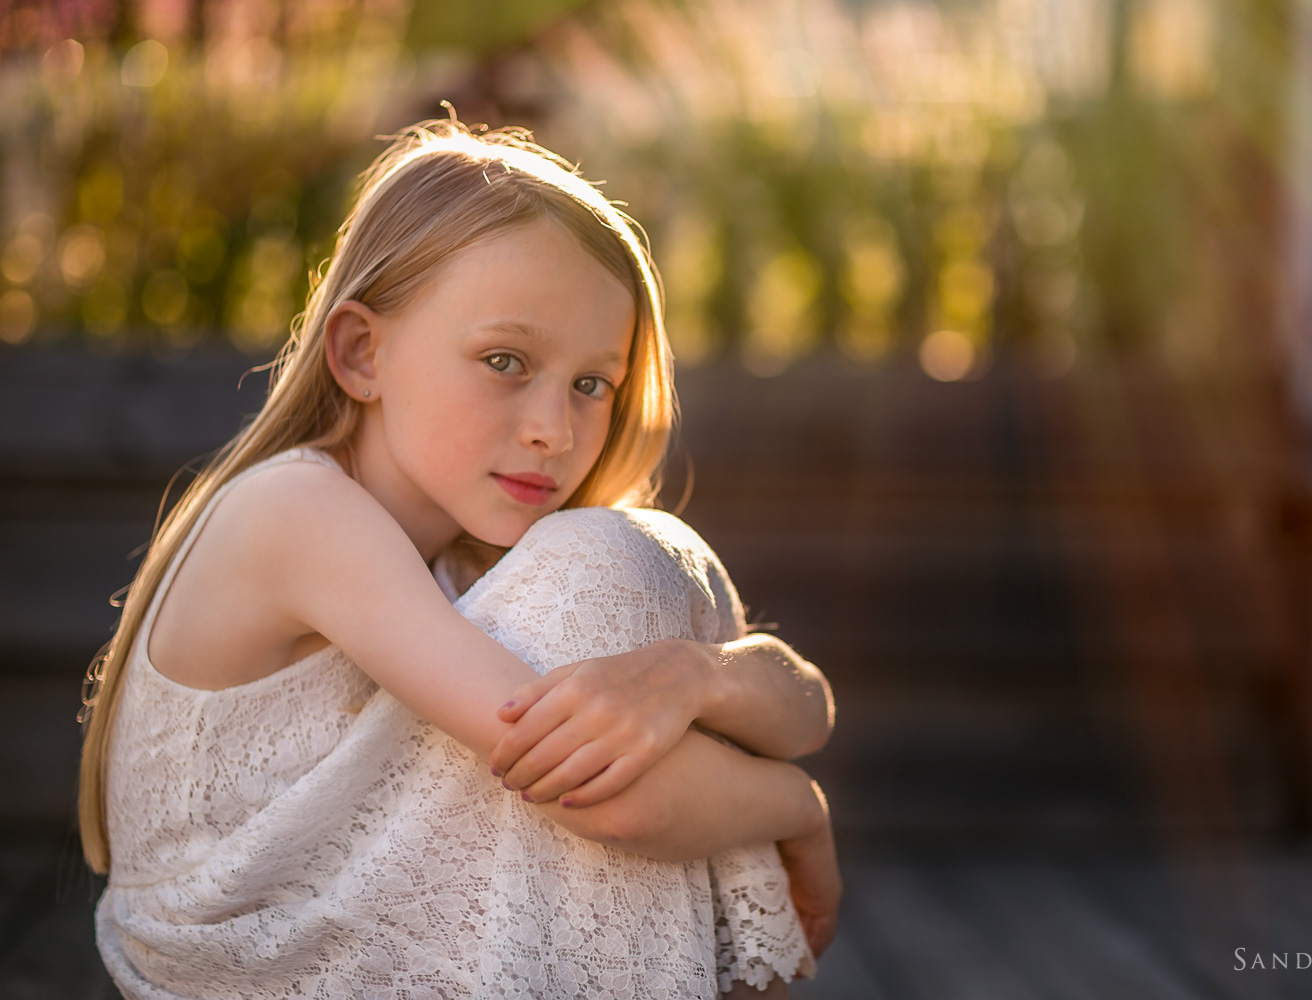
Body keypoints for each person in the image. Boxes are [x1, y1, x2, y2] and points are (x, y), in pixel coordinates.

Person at [78, 117, 841, 998]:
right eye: (505, 360)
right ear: (363, 353)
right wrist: (799, 810)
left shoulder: (466, 564)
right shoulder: (296, 511)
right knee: (607, 566)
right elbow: (611, 795)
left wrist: (694, 679)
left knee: (639, 566)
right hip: (236, 964)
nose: (553, 429)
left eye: (592, 384)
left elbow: (806, 708)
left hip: (342, 928)